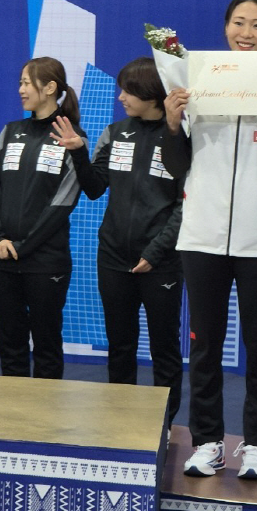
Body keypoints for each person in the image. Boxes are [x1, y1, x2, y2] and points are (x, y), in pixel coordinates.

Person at [162, 0, 257, 480]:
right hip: (200, 235)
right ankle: (206, 443)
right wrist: (173, 124)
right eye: (239, 23)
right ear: (225, 28)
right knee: (203, 345)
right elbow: (176, 167)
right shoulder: (197, 81)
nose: (247, 33)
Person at [52, 57, 184, 428]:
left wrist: (155, 253)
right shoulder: (115, 131)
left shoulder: (179, 136)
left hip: (160, 262)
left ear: (151, 93)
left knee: (164, 349)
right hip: (113, 258)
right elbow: (94, 189)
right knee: (120, 346)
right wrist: (78, 150)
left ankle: (164, 426)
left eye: (129, 90)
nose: (121, 96)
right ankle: (120, 423)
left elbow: (184, 204)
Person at [0, 57, 85, 378]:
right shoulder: (10, 132)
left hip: (45, 261)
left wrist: (23, 247)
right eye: (21, 82)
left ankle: (45, 427)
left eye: (27, 83)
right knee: (10, 346)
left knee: (46, 347)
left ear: (50, 88)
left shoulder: (71, 137)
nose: (21, 89)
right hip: (1, 258)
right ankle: (14, 424)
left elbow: (63, 201)